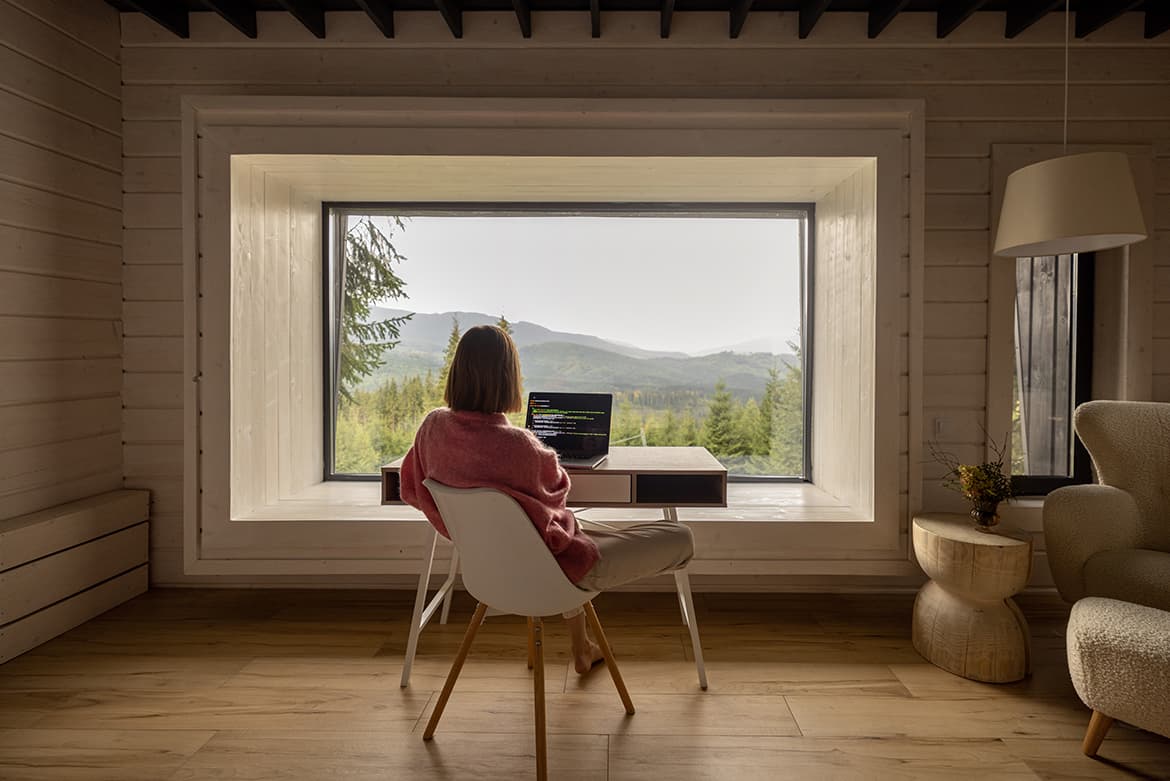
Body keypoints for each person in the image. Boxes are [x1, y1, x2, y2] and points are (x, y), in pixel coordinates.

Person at [400, 324, 694, 674]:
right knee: (680, 537)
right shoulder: (521, 448)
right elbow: (557, 494)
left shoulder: (432, 428)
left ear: (458, 373)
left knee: (547, 536)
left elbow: (412, 483)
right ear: (509, 378)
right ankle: (582, 647)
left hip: (487, 572)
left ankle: (581, 647)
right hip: (555, 572)